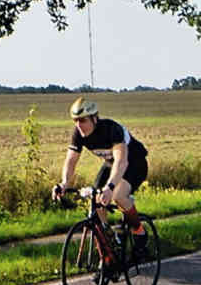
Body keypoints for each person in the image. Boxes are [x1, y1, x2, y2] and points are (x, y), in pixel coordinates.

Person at [51, 97, 150, 254]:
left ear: (94, 118)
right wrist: (64, 183)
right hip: (111, 164)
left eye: (83, 120)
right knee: (96, 202)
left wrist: (110, 187)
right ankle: (108, 249)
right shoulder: (78, 134)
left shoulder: (112, 129)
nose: (79, 125)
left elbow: (122, 162)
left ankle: (139, 231)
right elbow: (70, 161)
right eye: (75, 120)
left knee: (118, 195)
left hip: (134, 163)